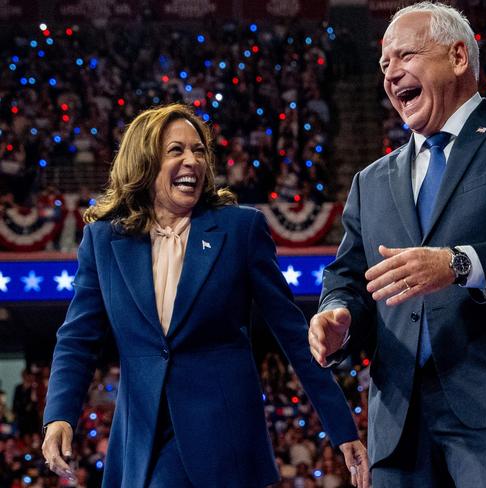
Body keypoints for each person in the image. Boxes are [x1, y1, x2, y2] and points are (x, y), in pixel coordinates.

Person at [308, 2, 486, 487]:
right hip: (397, 423)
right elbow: (349, 277)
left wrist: (459, 264)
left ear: (458, 57)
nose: (391, 73)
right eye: (383, 65)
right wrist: (338, 315)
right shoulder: (370, 181)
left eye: (405, 56)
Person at [41, 104, 369, 488]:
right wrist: (59, 415)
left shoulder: (239, 229)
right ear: (143, 162)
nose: (192, 161)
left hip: (222, 436)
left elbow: (294, 334)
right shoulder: (104, 240)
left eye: (199, 151)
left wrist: (341, 427)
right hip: (141, 440)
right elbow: (77, 338)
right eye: (176, 150)